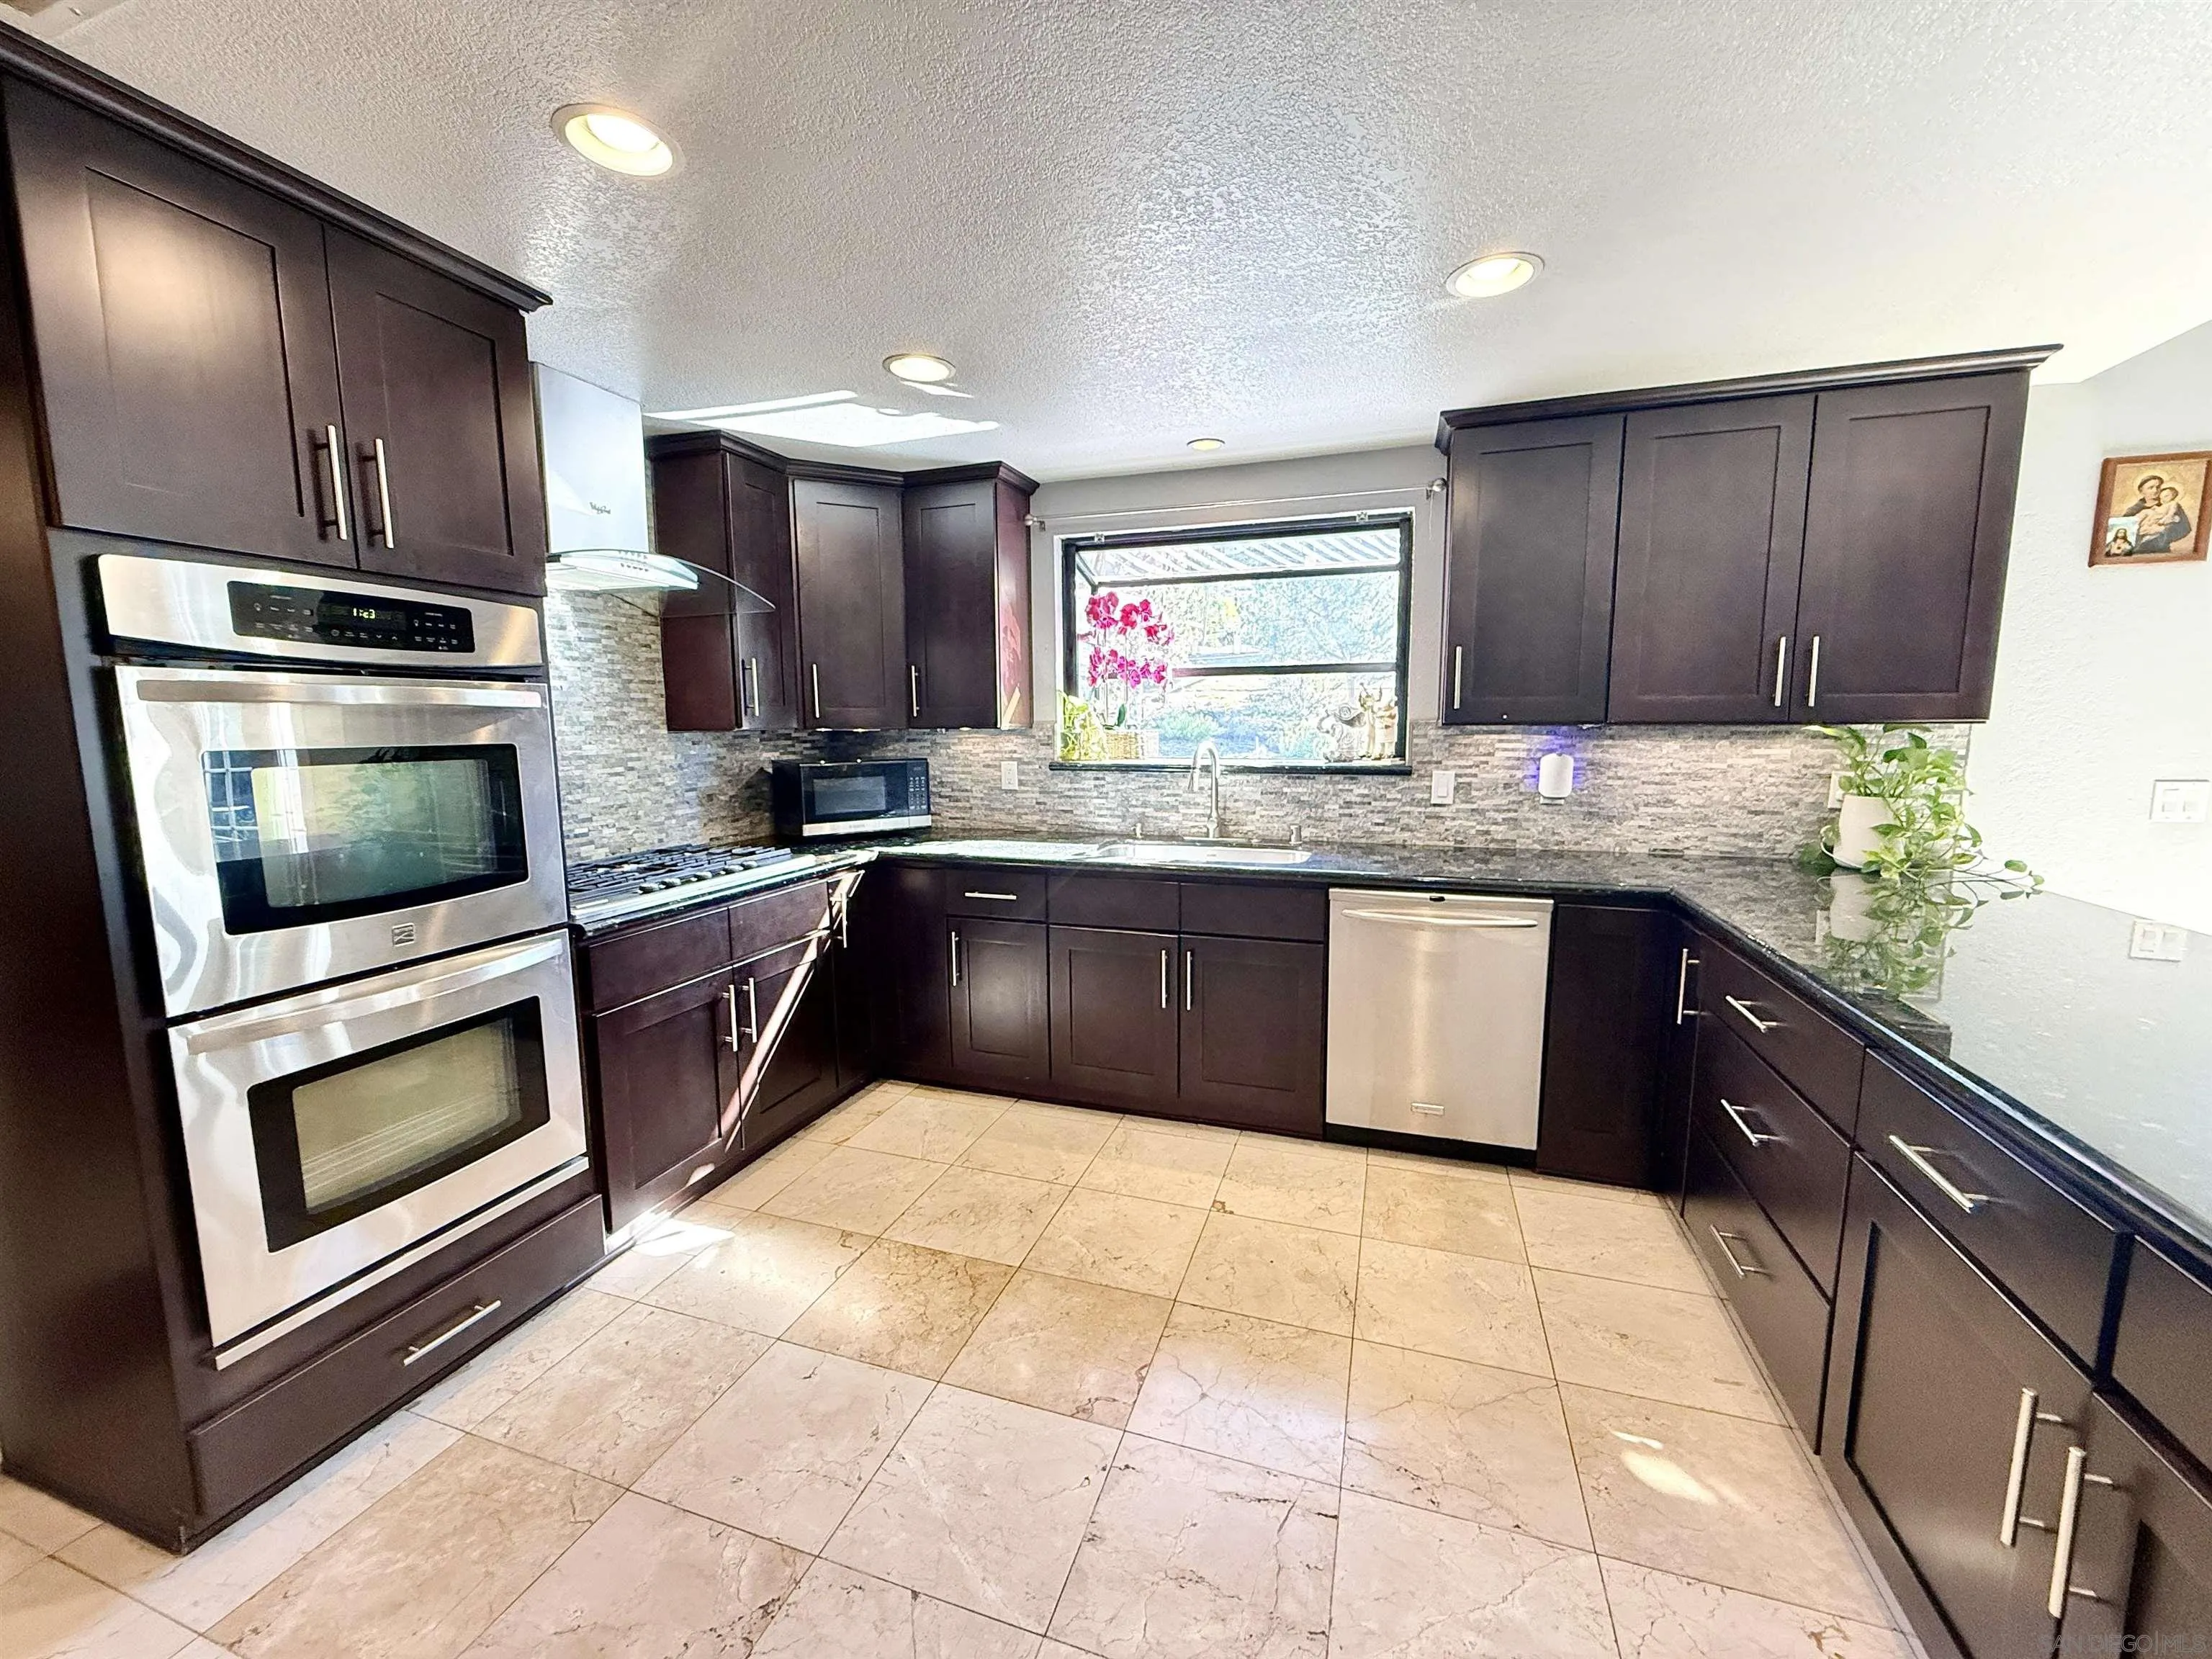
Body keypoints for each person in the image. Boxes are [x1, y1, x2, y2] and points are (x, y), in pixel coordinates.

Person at [2133, 485, 2193, 556]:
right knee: (2145, 515)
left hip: (2159, 525)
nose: (2155, 490)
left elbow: (2179, 523)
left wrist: (2163, 527)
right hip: (2153, 520)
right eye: (2150, 488)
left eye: (2166, 496)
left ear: (2173, 496)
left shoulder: (2173, 504)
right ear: (2142, 491)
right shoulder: (2138, 507)